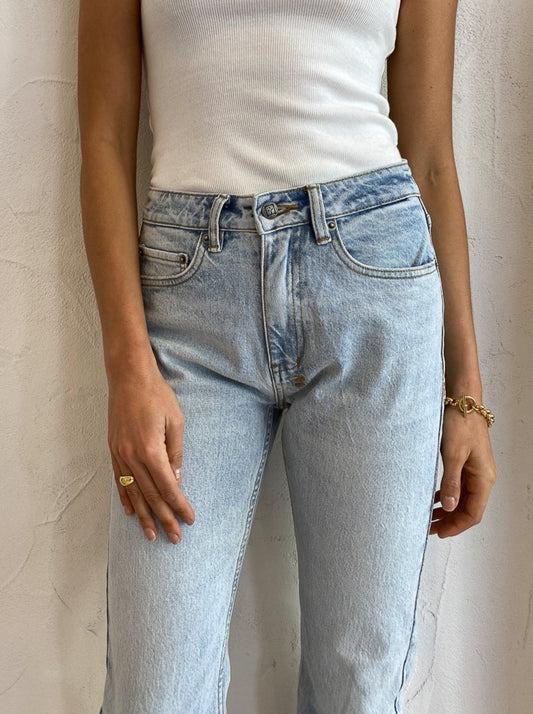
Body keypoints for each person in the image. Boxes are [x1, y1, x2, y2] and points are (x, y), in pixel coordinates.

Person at [78, 1, 498, 712]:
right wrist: (126, 367)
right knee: (155, 690)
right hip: (189, 301)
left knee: (357, 686)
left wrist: (466, 395)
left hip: (372, 280)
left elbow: (429, 156)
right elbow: (103, 140)